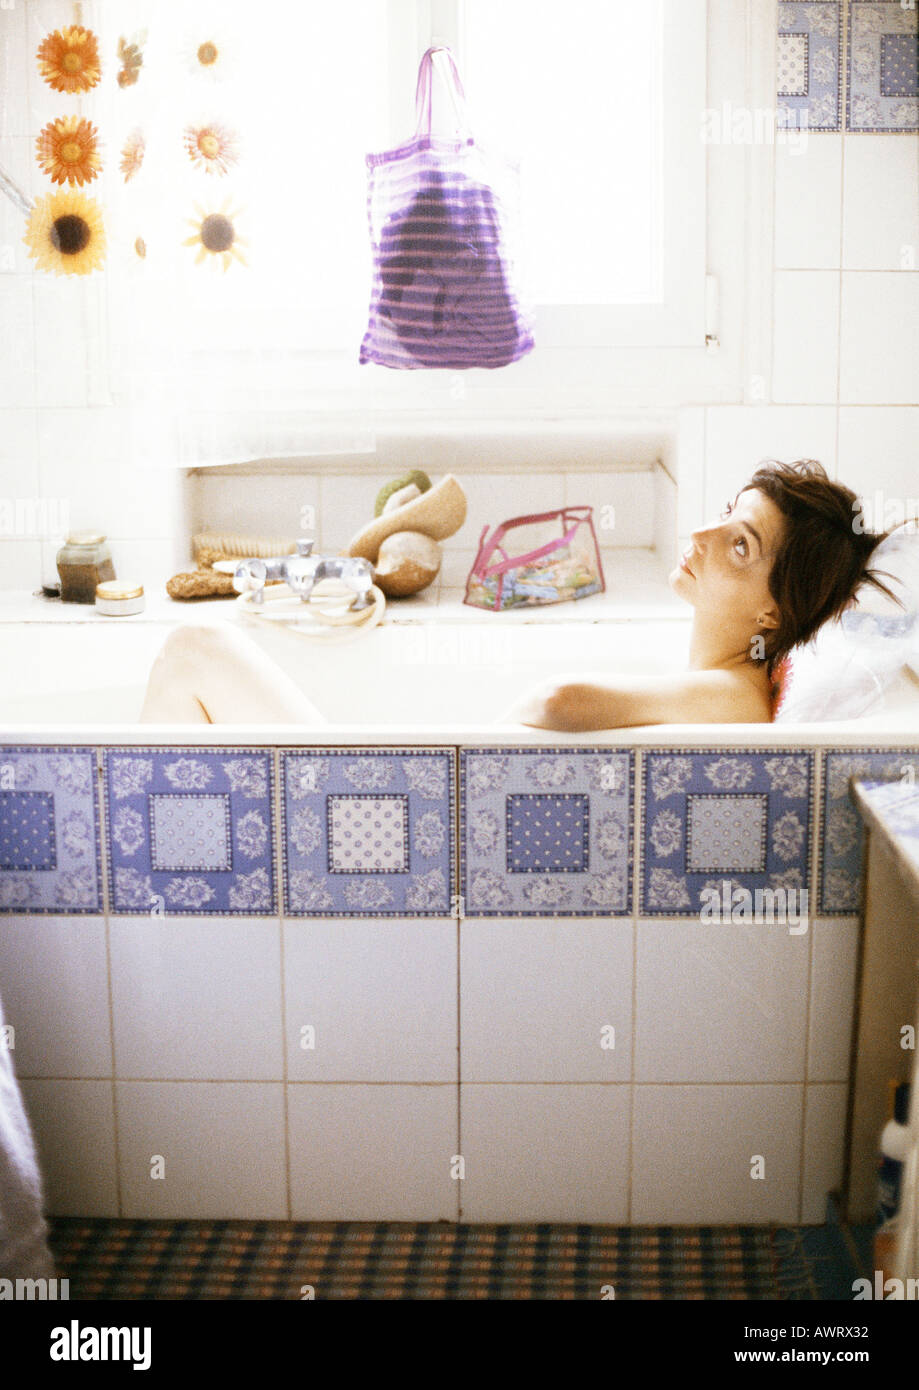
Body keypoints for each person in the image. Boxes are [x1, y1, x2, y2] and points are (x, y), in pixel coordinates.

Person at [140, 460, 895, 729]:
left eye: (739, 544)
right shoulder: (718, 678)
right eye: (725, 513)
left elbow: (560, 700)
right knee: (194, 655)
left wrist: (475, 749)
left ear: (772, 611)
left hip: (424, 832)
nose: (699, 535)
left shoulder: (735, 695)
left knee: (193, 648)